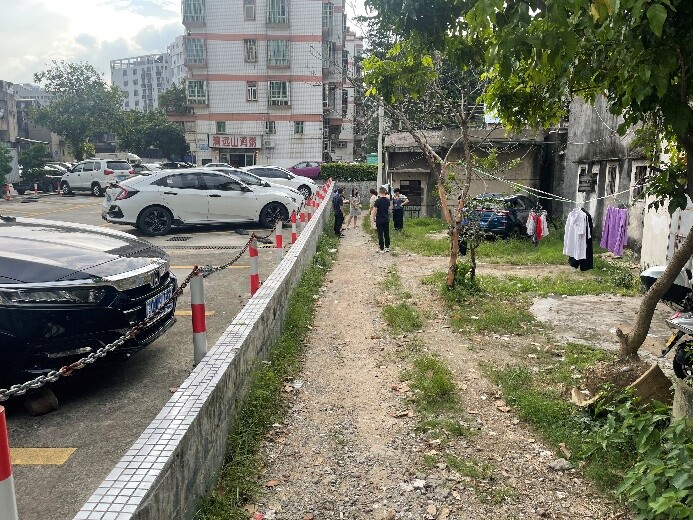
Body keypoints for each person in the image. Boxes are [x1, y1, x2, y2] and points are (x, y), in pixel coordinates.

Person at [371, 186, 391, 253]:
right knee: (386, 233)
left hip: (379, 219)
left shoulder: (377, 201)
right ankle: (387, 247)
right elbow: (388, 209)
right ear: (385, 192)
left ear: (379, 192)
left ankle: (381, 247)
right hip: (386, 218)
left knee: (380, 233)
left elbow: (375, 210)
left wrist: (373, 218)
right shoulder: (388, 200)